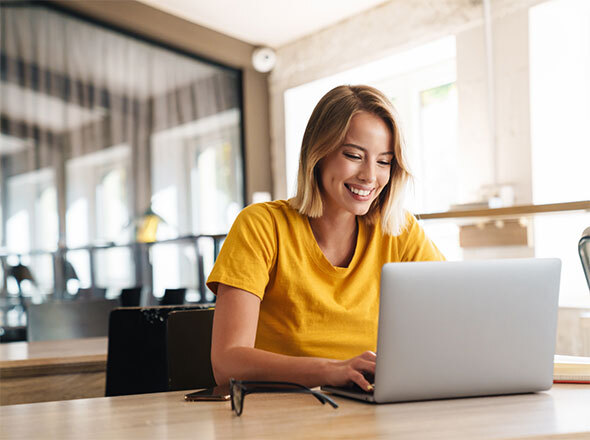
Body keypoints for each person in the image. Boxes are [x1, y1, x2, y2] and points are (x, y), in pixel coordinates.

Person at [207, 85, 444, 392]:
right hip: (281, 414)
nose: (370, 176)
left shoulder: (399, 231)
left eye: (384, 161)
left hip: (370, 409)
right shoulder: (262, 226)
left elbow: (452, 321)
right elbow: (227, 364)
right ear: (318, 153)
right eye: (354, 156)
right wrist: (331, 370)